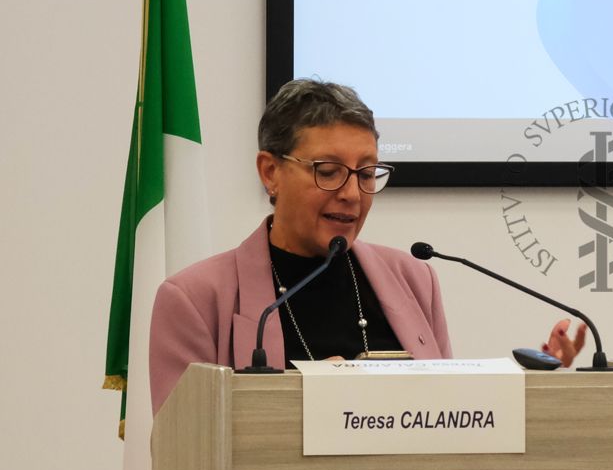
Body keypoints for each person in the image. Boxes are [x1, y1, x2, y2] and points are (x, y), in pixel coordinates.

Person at [149, 79, 586, 414]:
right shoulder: (195, 300)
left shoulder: (413, 278)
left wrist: (536, 377)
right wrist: (315, 400)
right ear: (270, 172)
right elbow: (183, 455)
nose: (352, 194)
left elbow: (448, 415)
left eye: (366, 172)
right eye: (329, 170)